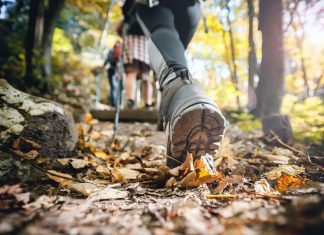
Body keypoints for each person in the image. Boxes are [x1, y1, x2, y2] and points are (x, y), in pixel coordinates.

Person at [122, 0, 226, 168]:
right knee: (174, 49)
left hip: (153, 5)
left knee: (163, 31)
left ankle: (180, 91)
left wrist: (126, 11)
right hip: (190, 8)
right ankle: (174, 107)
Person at [117, 18, 154, 109]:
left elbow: (120, 29)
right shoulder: (150, 12)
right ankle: (148, 104)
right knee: (146, 77)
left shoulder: (131, 12)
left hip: (131, 41)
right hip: (146, 43)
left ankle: (130, 101)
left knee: (131, 73)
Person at [103, 40, 122, 107]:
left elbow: (107, 59)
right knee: (119, 88)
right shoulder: (122, 51)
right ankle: (119, 103)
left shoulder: (111, 50)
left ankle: (114, 104)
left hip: (111, 69)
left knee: (113, 87)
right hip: (120, 71)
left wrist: (103, 66)